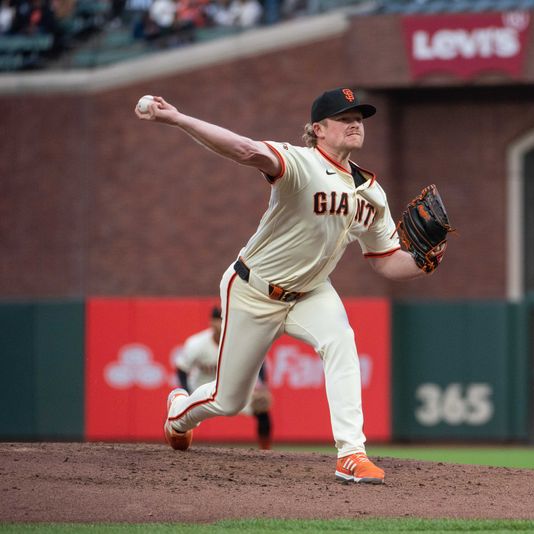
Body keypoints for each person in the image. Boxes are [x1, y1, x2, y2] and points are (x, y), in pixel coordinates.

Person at [135, 87, 443, 484]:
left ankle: (350, 453)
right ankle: (179, 412)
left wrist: (423, 263)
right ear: (317, 129)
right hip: (253, 290)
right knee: (229, 400)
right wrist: (178, 118)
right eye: (344, 117)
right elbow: (245, 150)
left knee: (342, 344)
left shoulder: (372, 194)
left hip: (312, 291)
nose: (355, 123)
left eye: (359, 117)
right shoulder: (300, 163)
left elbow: (387, 262)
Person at [174, 306, 273, 450]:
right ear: (211, 322)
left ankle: (266, 452)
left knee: (262, 411)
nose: (221, 324)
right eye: (218, 320)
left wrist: (262, 385)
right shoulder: (196, 344)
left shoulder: (240, 341)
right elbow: (181, 369)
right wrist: (187, 393)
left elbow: (259, 360)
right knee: (178, 414)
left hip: (231, 388)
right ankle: (172, 448)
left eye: (224, 319)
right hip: (201, 388)